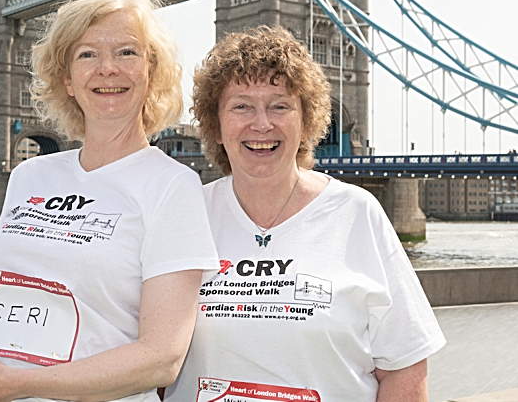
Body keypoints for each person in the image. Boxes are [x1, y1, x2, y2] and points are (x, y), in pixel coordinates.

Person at [0, 0, 219, 402]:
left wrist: (21, 384)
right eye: (87, 54)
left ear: (151, 71)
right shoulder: (29, 177)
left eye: (127, 52)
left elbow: (161, 359)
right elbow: (0, 320)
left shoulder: (172, 186)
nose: (107, 68)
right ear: (66, 79)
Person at [164, 26, 446, 402]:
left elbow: (405, 367)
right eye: (241, 106)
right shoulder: (185, 215)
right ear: (216, 126)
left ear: (305, 121)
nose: (261, 123)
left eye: (280, 106)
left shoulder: (357, 214)